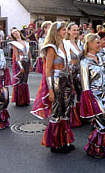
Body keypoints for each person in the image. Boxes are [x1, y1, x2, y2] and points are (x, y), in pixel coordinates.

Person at [40, 21, 75, 153]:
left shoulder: (64, 44)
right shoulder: (51, 47)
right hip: (56, 82)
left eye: (66, 29)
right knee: (56, 111)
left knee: (66, 110)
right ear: (56, 31)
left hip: (66, 80)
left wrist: (71, 83)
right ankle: (55, 143)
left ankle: (65, 141)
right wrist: (50, 90)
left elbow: (68, 65)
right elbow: (48, 70)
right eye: (63, 30)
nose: (65, 31)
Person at [80, 33, 105, 158]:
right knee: (103, 122)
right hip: (95, 96)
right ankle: (95, 149)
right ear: (89, 44)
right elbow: (85, 86)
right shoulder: (84, 62)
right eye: (97, 43)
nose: (100, 45)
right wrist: (90, 104)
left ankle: (99, 147)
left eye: (100, 42)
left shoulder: (100, 58)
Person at [65, 22, 83, 128]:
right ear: (68, 31)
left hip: (79, 72)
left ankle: (81, 115)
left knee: (80, 92)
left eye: (77, 30)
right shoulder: (66, 43)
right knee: (71, 95)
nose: (76, 32)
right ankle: (71, 118)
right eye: (74, 30)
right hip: (70, 72)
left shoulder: (78, 42)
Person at [10, 28, 32, 106]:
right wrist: (20, 67)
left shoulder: (26, 42)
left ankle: (25, 100)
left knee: (25, 81)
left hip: (27, 62)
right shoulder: (14, 43)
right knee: (20, 81)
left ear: (19, 32)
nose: (15, 33)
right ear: (13, 35)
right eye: (13, 33)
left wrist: (31, 64)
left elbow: (29, 54)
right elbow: (16, 57)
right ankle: (19, 101)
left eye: (16, 32)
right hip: (20, 63)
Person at [0, 48, 11, 129]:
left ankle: (3, 120)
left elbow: (4, 65)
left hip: (2, 78)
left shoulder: (1, 51)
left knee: (5, 99)